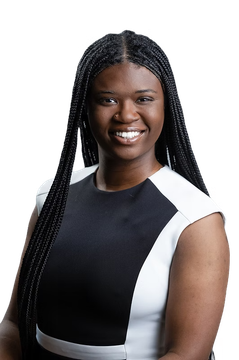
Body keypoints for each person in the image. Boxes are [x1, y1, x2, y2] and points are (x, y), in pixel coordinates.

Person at [0, 30, 230, 360]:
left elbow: (186, 355)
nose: (126, 115)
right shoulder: (50, 196)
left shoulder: (194, 220)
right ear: (85, 107)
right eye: (107, 99)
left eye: (144, 99)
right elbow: (11, 325)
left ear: (167, 106)